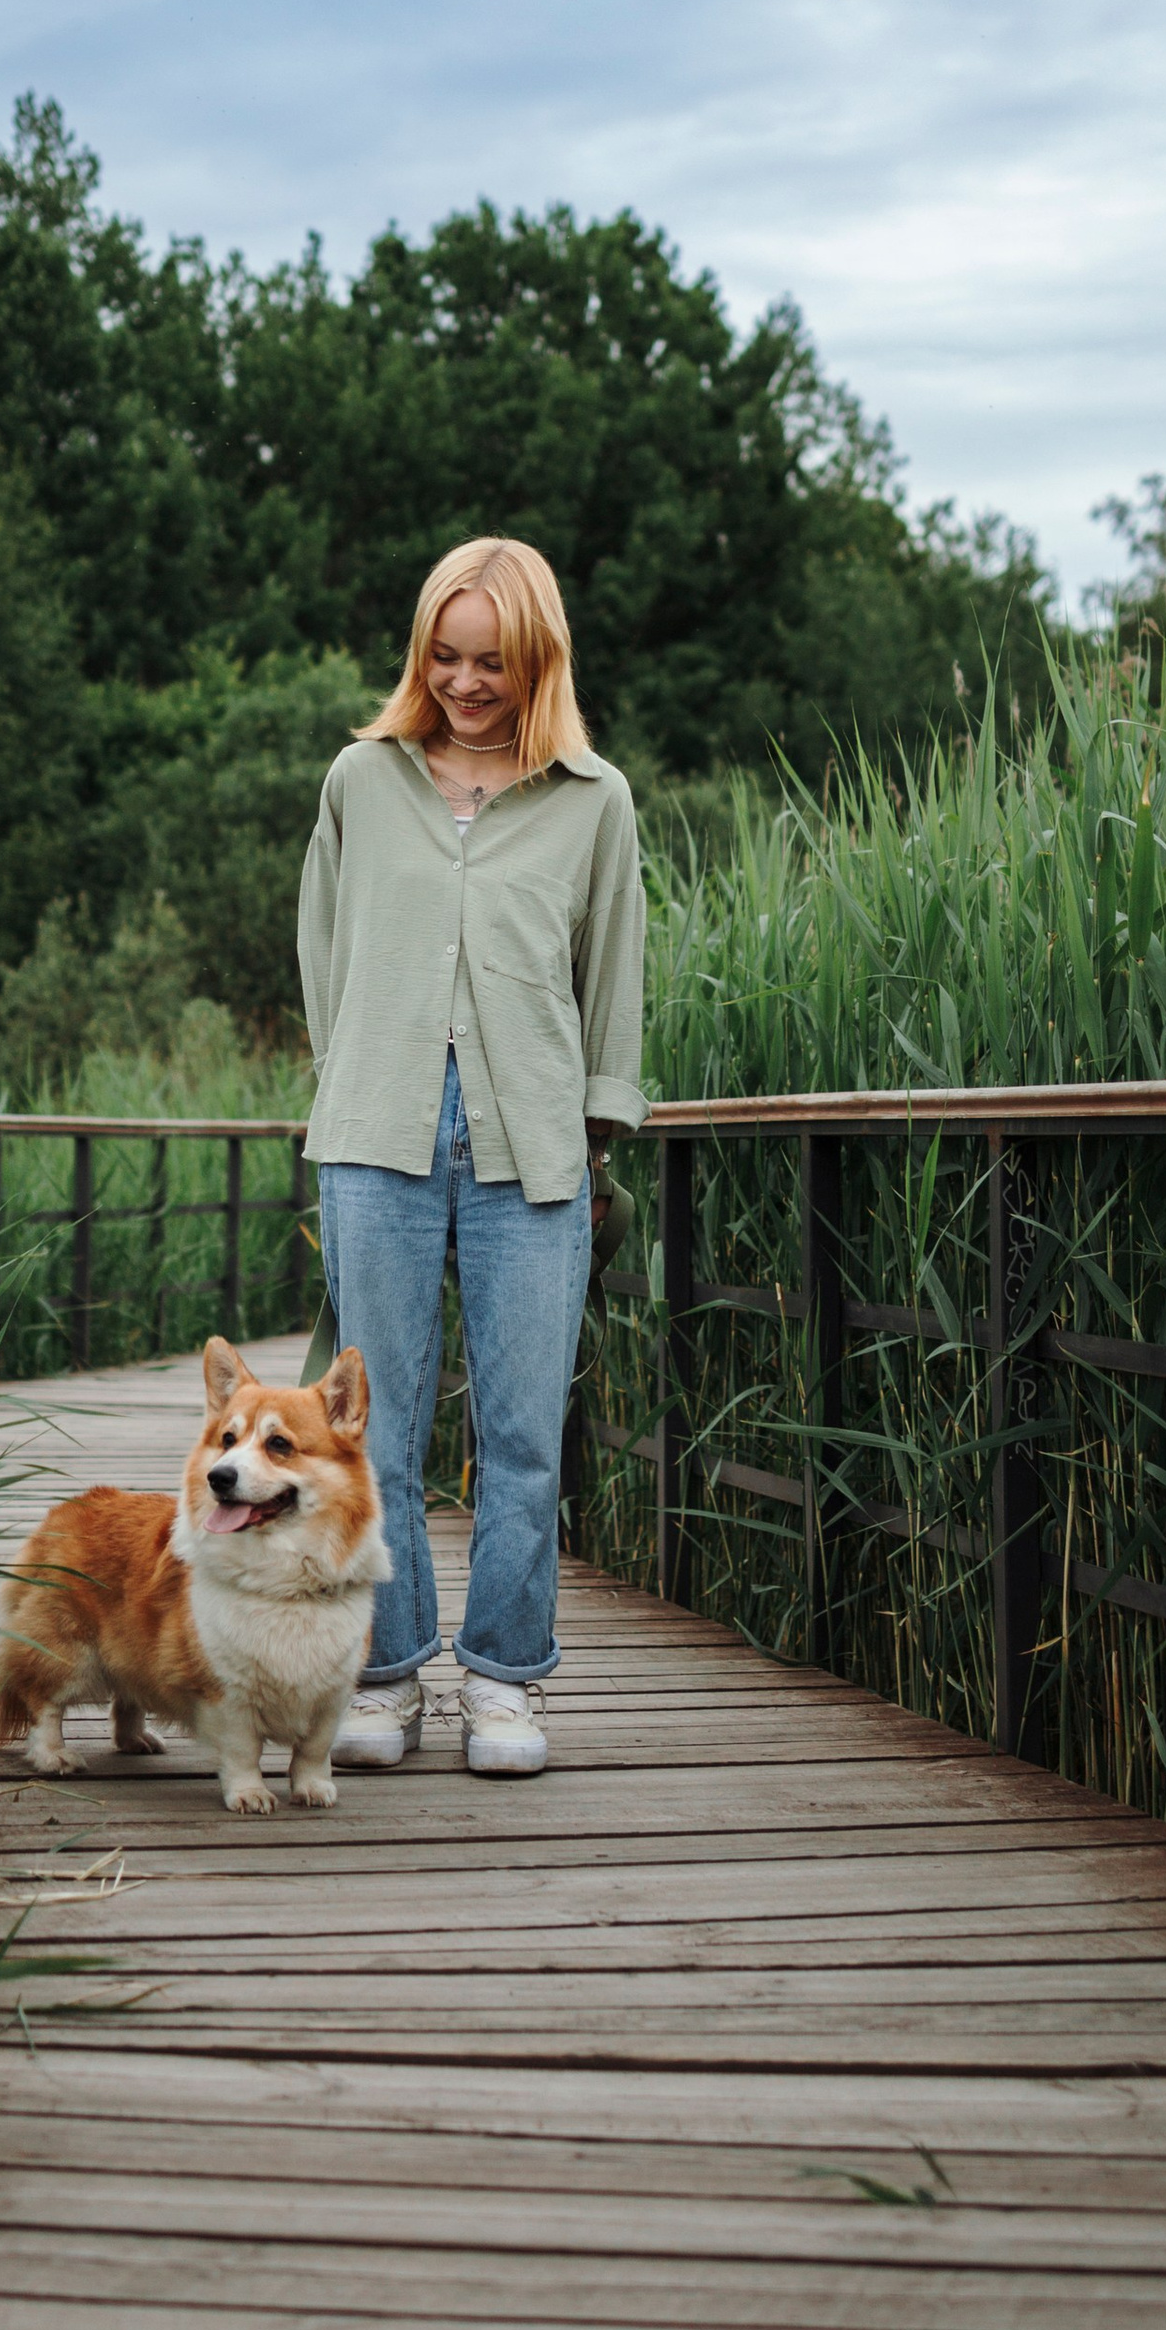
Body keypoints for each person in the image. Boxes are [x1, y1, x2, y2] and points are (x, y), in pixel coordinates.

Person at [296, 535, 647, 1776]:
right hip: (375, 1137)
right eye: (444, 657)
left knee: (521, 1435)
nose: (463, 682)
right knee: (368, 1432)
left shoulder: (592, 801)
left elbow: (613, 980)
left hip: (534, 1152)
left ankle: (503, 1684)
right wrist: (346, 1089)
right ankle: (383, 1679)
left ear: (536, 657)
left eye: (489, 661)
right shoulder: (361, 779)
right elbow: (323, 955)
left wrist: (597, 1124)